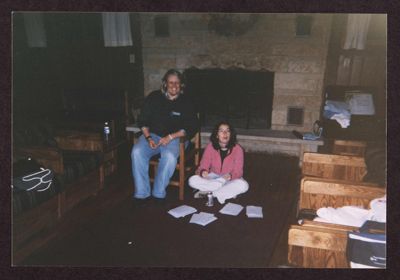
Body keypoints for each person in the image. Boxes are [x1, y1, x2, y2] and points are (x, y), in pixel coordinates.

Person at [131, 69, 198, 200]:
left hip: (177, 138)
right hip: (153, 135)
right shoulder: (154, 97)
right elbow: (142, 120)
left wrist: (171, 136)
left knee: (169, 156)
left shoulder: (187, 101)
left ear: (181, 85)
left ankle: (158, 192)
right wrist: (148, 137)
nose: (174, 86)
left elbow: (192, 126)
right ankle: (142, 193)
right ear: (165, 84)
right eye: (171, 82)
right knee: (137, 152)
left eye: (177, 83)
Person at [188, 121, 249, 204]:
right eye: (221, 131)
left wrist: (230, 176)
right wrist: (203, 172)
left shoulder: (238, 149)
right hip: (213, 178)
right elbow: (203, 166)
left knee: (244, 185)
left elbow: (238, 172)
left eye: (228, 131)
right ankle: (223, 192)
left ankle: (211, 193)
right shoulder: (210, 147)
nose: (225, 133)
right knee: (192, 180)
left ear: (231, 134)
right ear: (217, 135)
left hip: (229, 178)